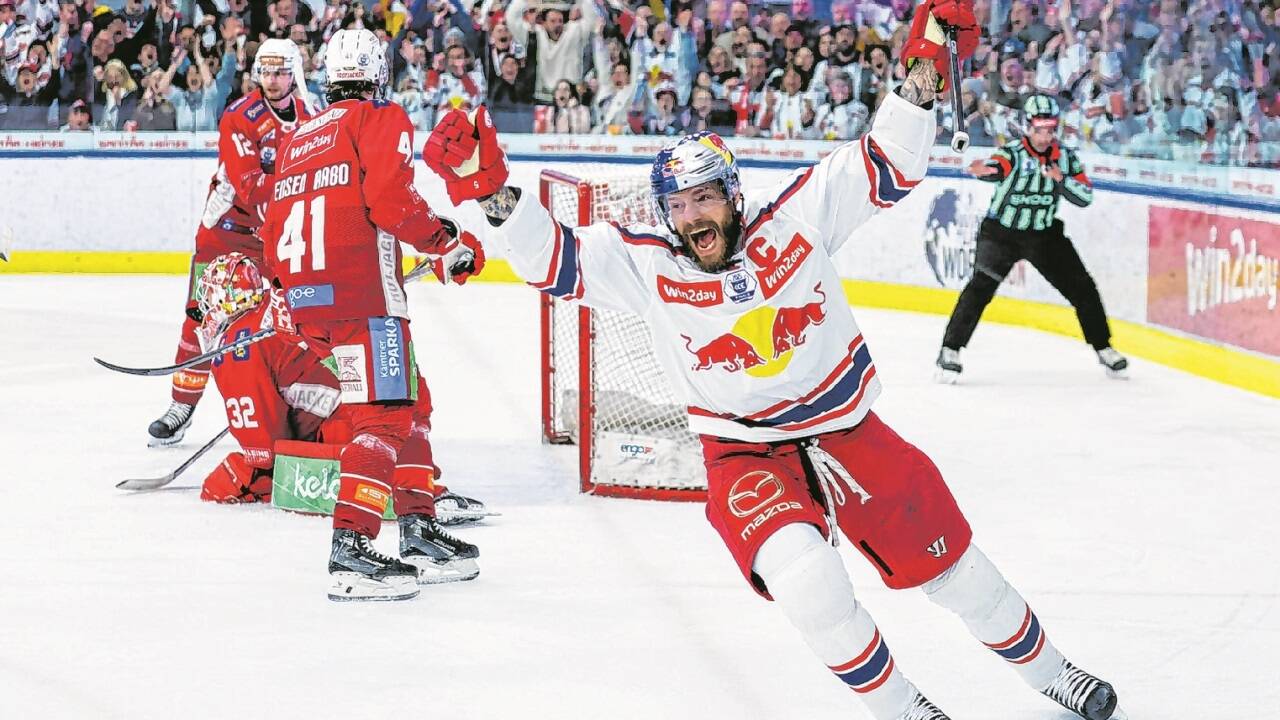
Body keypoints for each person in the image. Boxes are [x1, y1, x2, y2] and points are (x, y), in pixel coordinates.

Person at [422, 2, 1121, 718]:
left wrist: (927, 59)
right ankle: (908, 711)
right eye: (679, 205)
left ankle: (1056, 675)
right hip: (743, 455)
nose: (693, 216)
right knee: (809, 585)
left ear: (732, 196)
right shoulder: (645, 264)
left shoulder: (797, 215)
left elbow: (889, 159)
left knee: (957, 573)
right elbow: (553, 260)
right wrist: (489, 192)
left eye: (704, 198)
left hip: (848, 427)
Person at [260, 26, 483, 601]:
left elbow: (273, 237)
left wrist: (295, 290)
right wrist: (445, 241)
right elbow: (390, 202)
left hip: (308, 304)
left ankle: (418, 526)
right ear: (379, 73)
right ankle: (352, 550)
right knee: (384, 417)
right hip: (365, 303)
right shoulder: (380, 118)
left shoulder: (298, 135)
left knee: (408, 401)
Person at [187, 253, 481, 583]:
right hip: (384, 403)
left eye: (211, 294)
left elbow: (264, 450)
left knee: (229, 477)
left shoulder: (234, 345)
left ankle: (390, 499)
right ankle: (418, 495)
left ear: (228, 298)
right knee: (399, 406)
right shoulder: (285, 301)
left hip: (351, 431)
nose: (206, 305)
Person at [145, 38, 315, 448]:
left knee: (300, 316)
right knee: (202, 316)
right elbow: (253, 187)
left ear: (295, 73)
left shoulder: (312, 117)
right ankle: (181, 405)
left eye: (279, 71)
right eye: (265, 72)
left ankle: (292, 403)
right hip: (224, 234)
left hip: (279, 236)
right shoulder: (240, 116)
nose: (271, 80)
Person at [936, 94, 1128, 382]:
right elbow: (997, 167)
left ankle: (1103, 347)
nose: (1045, 135)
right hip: (1002, 234)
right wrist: (985, 171)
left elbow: (1085, 197)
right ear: (1028, 127)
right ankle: (950, 350)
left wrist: (1061, 180)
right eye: (1040, 129)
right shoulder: (1013, 153)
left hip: (1045, 235)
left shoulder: (1065, 158)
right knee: (980, 288)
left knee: (1083, 289)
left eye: (1050, 129)